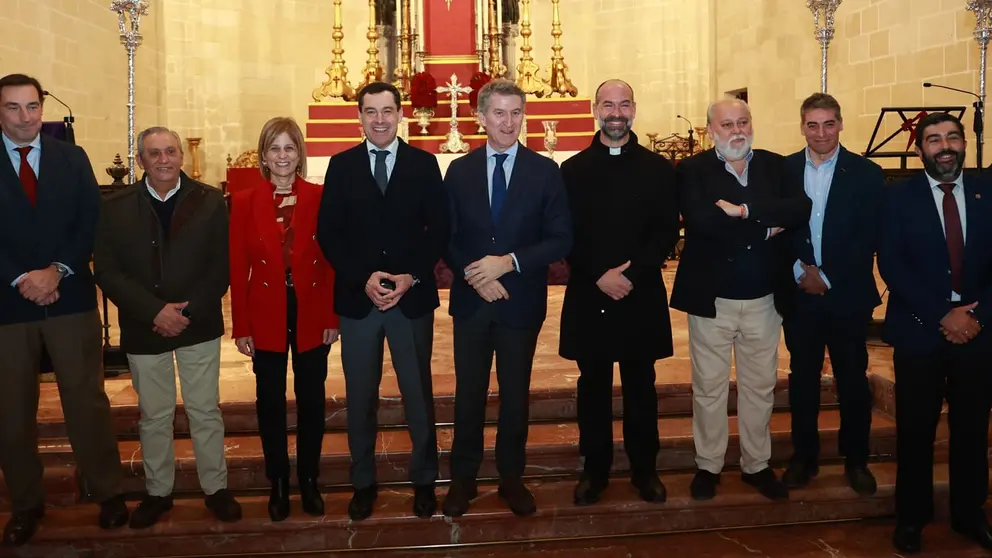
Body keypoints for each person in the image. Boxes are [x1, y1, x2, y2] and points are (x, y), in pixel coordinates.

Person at [0, 73, 128, 547]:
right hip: (7, 304)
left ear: (42, 108)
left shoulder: (71, 158)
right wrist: (22, 277)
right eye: (13, 107)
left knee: (86, 401)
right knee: (11, 410)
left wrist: (56, 270)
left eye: (32, 106)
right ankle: (26, 504)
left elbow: (91, 220)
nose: (25, 117)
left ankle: (109, 492)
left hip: (69, 296)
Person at [93, 126, 241, 528]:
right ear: (141, 159)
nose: (164, 160)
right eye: (154, 153)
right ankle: (158, 492)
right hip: (145, 326)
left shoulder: (210, 201)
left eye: (170, 151)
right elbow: (107, 270)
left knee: (204, 410)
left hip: (199, 322)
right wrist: (155, 311)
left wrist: (186, 313)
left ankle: (216, 489)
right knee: (154, 415)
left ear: (181, 156)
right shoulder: (116, 206)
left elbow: (221, 265)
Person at [317, 82, 448, 521]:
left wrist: (411, 276)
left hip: (411, 299)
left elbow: (440, 229)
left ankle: (424, 479)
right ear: (359, 116)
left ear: (400, 114)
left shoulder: (424, 164)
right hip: (360, 300)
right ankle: (363, 482)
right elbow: (330, 233)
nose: (379, 119)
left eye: (387, 111)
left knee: (417, 394)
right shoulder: (341, 166)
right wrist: (363, 278)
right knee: (360, 396)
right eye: (370, 111)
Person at [442, 79, 572, 518]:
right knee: (469, 394)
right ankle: (463, 479)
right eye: (499, 113)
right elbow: (447, 236)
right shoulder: (459, 171)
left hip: (520, 300)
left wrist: (509, 262)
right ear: (481, 117)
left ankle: (511, 478)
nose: (508, 122)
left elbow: (560, 238)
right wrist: (476, 276)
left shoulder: (545, 171)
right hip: (472, 301)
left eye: (516, 113)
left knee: (515, 395)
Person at [670, 97, 810, 502]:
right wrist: (766, 227)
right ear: (710, 130)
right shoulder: (692, 170)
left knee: (759, 386)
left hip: (765, 298)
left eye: (743, 122)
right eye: (727, 124)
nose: (737, 131)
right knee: (709, 387)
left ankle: (757, 464)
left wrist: (743, 210)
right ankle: (708, 465)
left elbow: (799, 209)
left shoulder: (775, 165)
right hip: (711, 299)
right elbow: (702, 222)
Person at [559, 79, 679, 505]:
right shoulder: (571, 170)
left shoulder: (658, 169)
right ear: (596, 110)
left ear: (634, 109)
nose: (616, 113)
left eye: (623, 104)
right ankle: (595, 470)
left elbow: (666, 230)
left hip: (639, 292)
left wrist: (632, 274)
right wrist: (598, 274)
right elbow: (563, 232)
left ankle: (645, 470)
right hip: (590, 292)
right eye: (608, 105)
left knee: (641, 385)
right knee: (592, 387)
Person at [878, 112, 992, 554]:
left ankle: (969, 514)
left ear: (964, 143)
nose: (945, 146)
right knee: (915, 428)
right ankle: (912, 518)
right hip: (919, 330)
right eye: (933, 139)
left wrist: (977, 316)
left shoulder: (987, 191)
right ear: (920, 149)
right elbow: (892, 263)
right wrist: (943, 315)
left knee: (972, 427)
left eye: (952, 137)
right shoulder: (896, 197)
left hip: (978, 332)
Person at [229, 117, 339, 521]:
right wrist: (241, 325)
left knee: (312, 400)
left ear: (299, 154)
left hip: (311, 309)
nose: (281, 156)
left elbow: (331, 262)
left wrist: (332, 316)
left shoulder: (319, 197)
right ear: (263, 155)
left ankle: (308, 479)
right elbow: (237, 267)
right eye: (274, 148)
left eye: (289, 148)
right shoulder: (244, 201)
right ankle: (277, 481)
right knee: (270, 402)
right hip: (266, 310)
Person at [780, 93, 883, 496]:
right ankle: (804, 457)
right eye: (812, 124)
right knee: (803, 379)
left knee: (852, 380)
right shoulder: (784, 170)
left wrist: (827, 276)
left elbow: (869, 234)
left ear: (840, 124)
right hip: (799, 294)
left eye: (828, 124)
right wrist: (800, 272)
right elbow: (778, 230)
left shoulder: (867, 173)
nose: (820, 133)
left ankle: (856, 459)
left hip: (848, 293)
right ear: (802, 127)